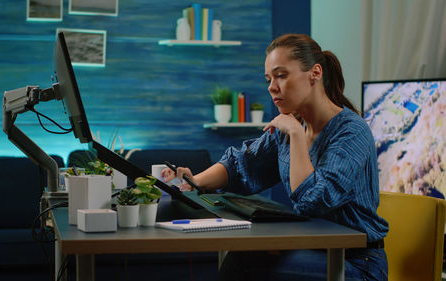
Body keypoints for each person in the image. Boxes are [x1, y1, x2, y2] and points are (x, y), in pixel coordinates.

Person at [162, 33, 389, 281]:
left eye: (281, 75)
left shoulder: (350, 132)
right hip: (315, 251)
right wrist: (193, 180)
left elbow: (313, 201)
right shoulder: (290, 125)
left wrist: (296, 135)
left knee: (244, 264)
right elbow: (241, 165)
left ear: (315, 73)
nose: (271, 86)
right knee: (244, 256)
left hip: (357, 264)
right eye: (269, 79)